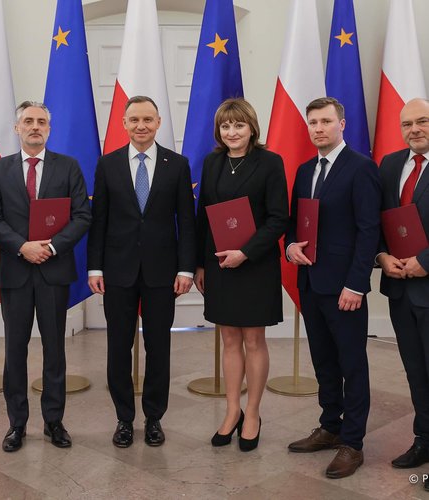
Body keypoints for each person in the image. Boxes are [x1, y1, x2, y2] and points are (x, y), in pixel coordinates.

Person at [87, 95, 196, 448]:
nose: (141, 126)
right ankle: (123, 418)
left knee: (158, 346)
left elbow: (187, 222)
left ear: (159, 122)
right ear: (123, 123)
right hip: (116, 271)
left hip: (162, 273)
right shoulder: (108, 164)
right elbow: (99, 220)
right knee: (118, 347)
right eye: (134, 119)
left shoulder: (177, 165)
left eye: (148, 119)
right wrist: (95, 266)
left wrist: (185, 269)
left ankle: (153, 418)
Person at [0, 101, 91, 452]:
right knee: (15, 350)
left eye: (41, 122)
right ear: (17, 128)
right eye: (28, 121)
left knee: (55, 349)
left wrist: (52, 247)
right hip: (15, 272)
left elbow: (82, 215)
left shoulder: (68, 167)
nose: (35, 127)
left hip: (53, 271)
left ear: (49, 128)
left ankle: (54, 422)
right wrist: (23, 247)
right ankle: (16, 425)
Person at [285, 97, 381, 478]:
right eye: (313, 122)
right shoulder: (305, 169)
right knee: (324, 361)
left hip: (345, 289)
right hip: (310, 282)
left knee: (352, 365)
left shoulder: (361, 169)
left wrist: (356, 285)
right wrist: (290, 245)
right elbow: (295, 223)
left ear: (342, 124)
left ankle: (352, 443)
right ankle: (330, 426)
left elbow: (368, 230)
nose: (318, 128)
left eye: (326, 121)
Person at [194, 98, 288, 452]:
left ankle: (252, 413)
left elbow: (279, 218)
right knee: (229, 340)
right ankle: (232, 411)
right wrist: (201, 263)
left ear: (252, 128)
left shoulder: (270, 162)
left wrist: (245, 252)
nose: (231, 132)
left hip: (255, 264)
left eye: (238, 125)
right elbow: (204, 216)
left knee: (253, 340)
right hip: (219, 265)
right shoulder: (211, 162)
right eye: (225, 126)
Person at [377, 98, 429, 491]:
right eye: (407, 123)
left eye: (422, 121)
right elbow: (378, 220)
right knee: (415, 371)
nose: (414, 129)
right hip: (399, 288)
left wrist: (426, 260)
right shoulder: (391, 165)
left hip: (428, 280)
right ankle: (423, 439)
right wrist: (382, 255)